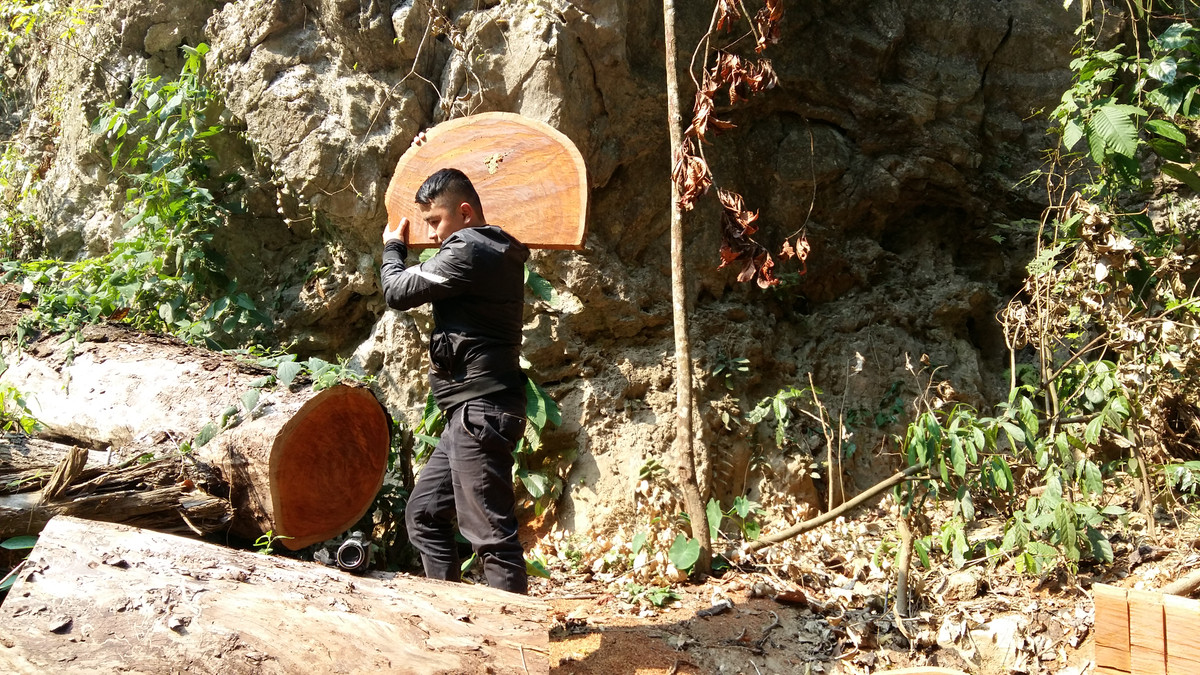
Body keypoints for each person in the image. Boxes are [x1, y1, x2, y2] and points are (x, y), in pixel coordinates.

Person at [380, 167, 531, 594]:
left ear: (465, 213)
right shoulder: (491, 247)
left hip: (480, 411)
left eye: (435, 222)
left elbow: (397, 290)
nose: (430, 236)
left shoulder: (469, 249)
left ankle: (512, 648)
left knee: (490, 537)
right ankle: (455, 621)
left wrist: (394, 246)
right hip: (471, 412)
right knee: (426, 514)